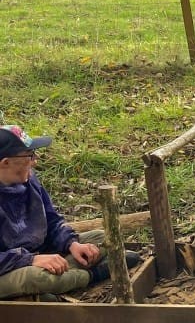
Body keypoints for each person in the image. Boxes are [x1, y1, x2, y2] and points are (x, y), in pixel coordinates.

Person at [0, 125, 138, 300]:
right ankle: (92, 275)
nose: (35, 161)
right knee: (36, 278)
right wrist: (30, 260)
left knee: (102, 237)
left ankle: (54, 285)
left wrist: (71, 244)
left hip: (38, 252)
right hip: (9, 268)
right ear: (5, 162)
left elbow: (51, 221)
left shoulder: (29, 179)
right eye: (30, 155)